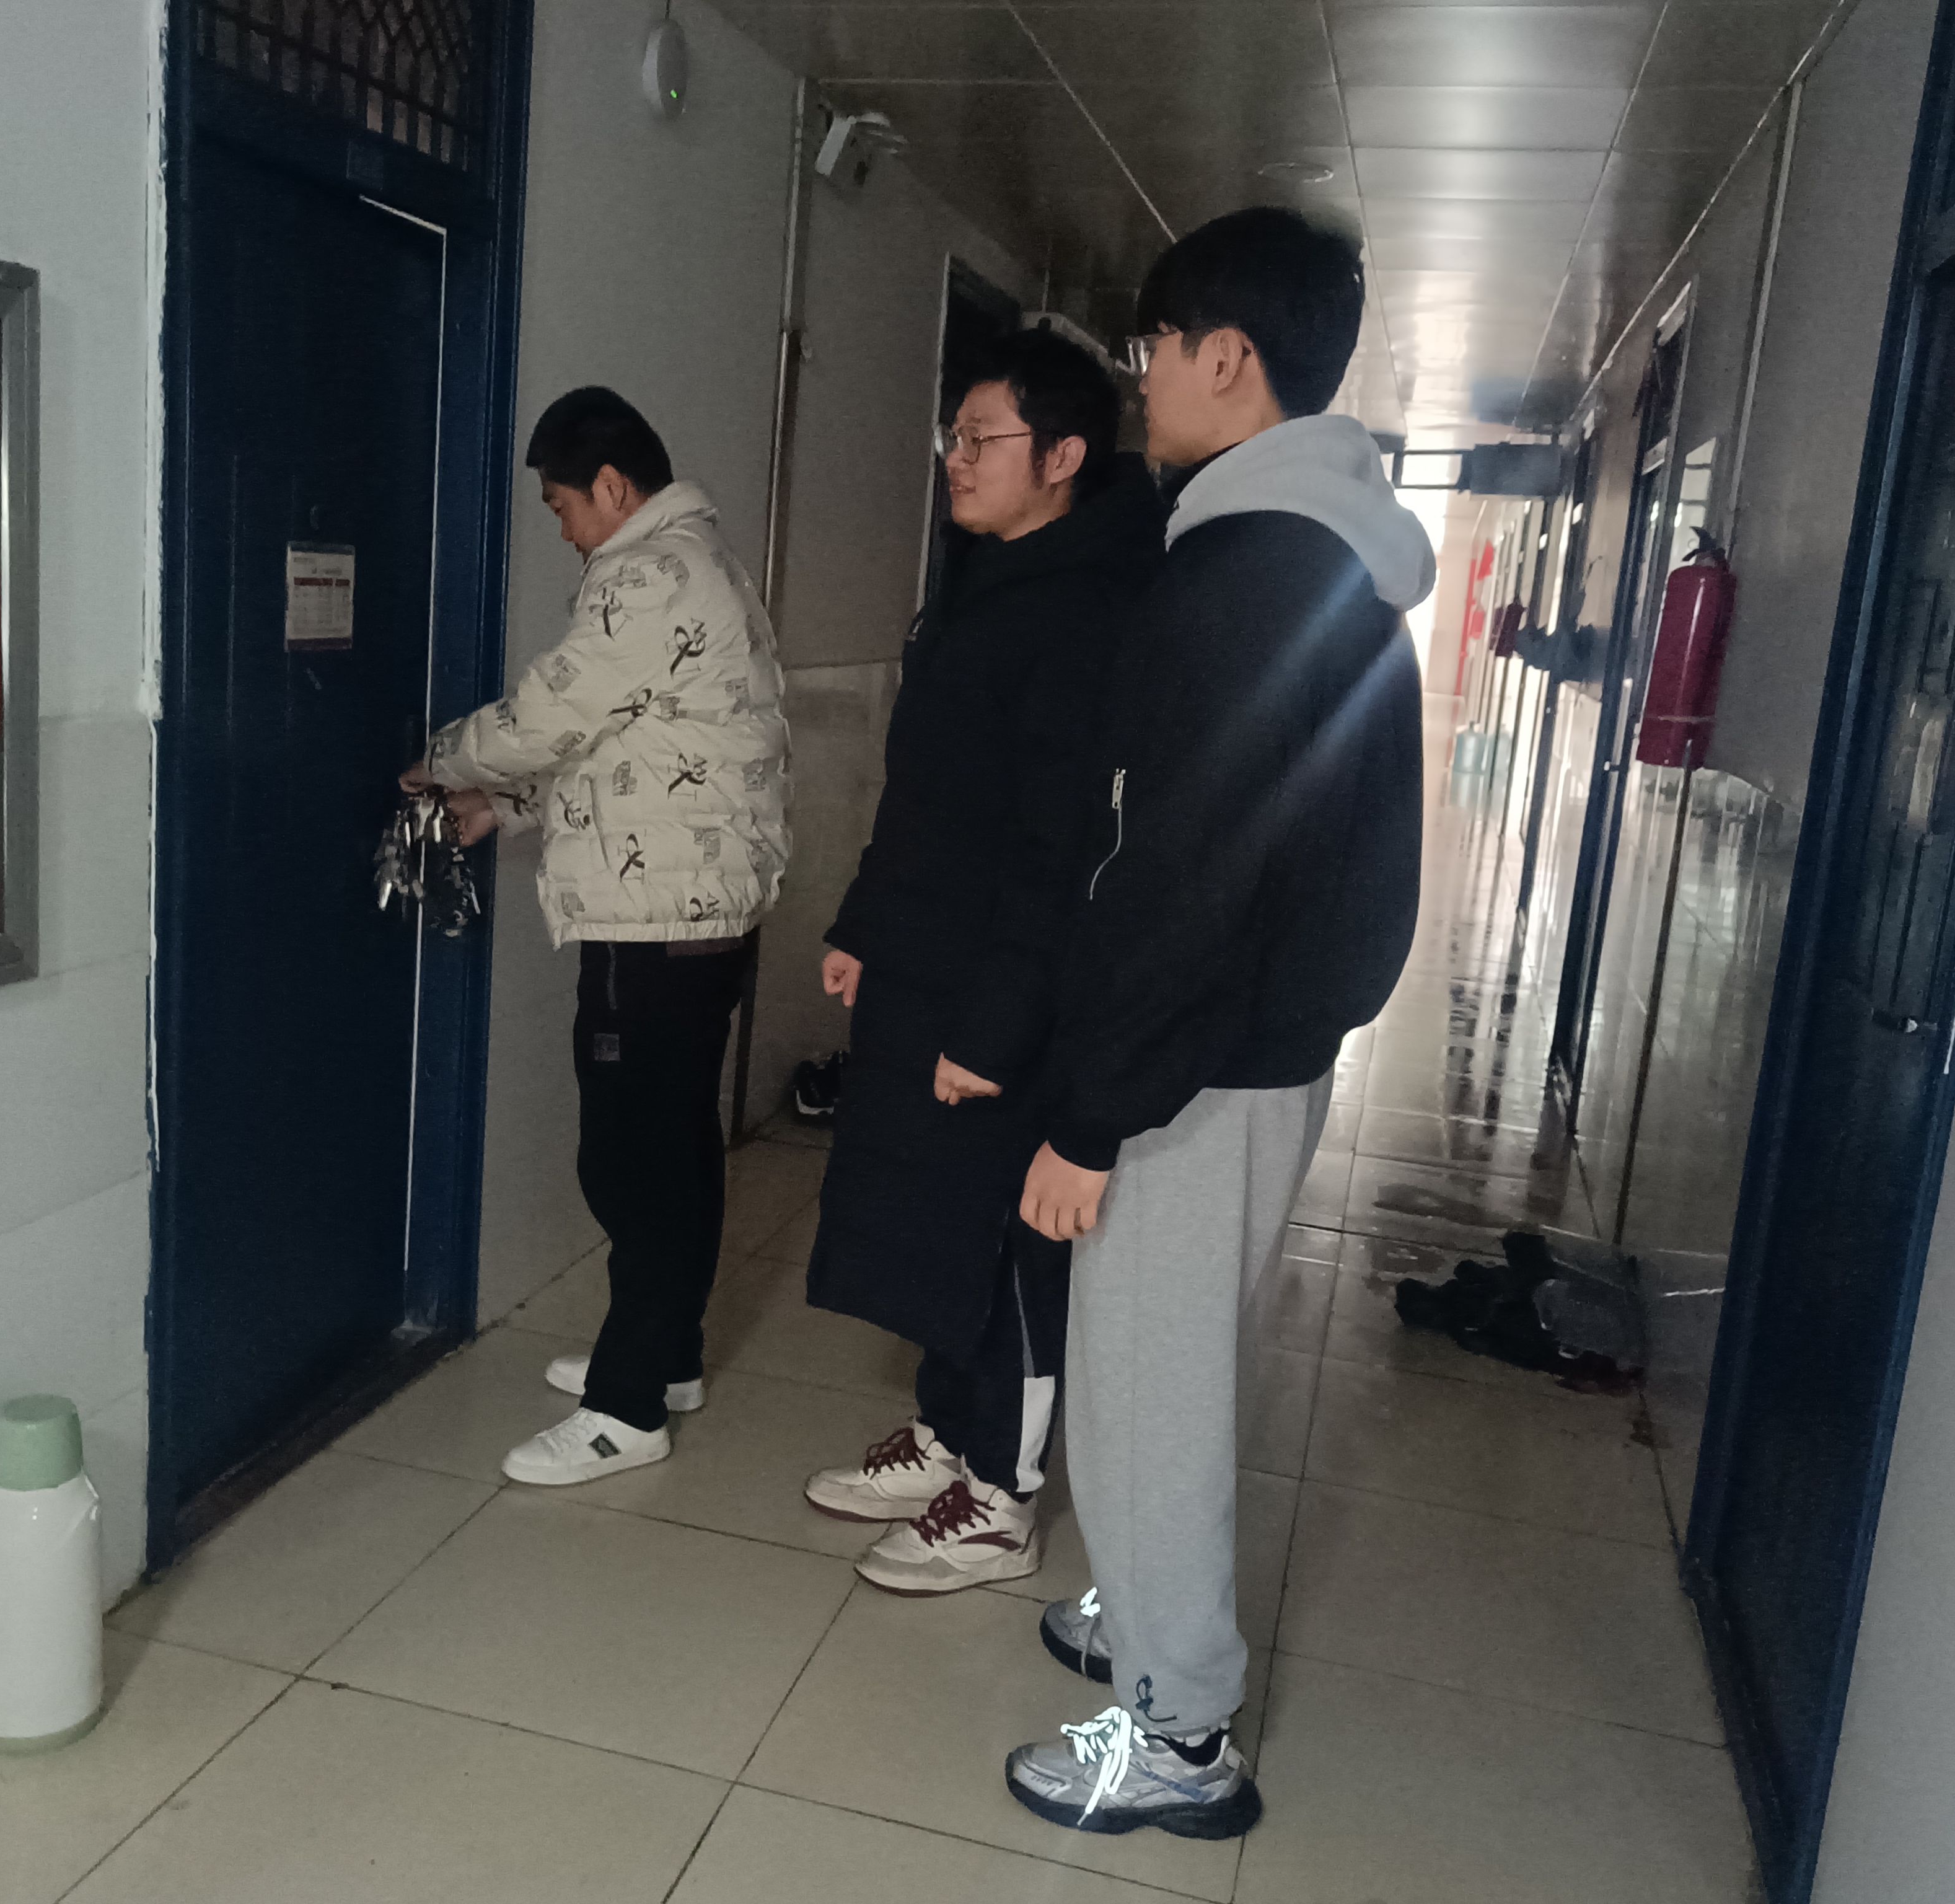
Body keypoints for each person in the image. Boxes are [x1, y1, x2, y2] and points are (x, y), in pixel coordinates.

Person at [998, 209, 1434, 1838]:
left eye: (1154, 350)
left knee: (1147, 1393)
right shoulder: (1313, 553)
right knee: (1169, 1370)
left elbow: (1177, 877)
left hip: (1194, 1067)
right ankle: (1144, 1607)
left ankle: (1175, 1730)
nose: (1143, 380)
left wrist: (1088, 1114)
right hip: (1257, 1048)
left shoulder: (1248, 574)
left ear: (1228, 359)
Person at [801, 330, 1163, 1595]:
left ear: (1061, 457)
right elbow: (926, 792)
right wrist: (863, 921)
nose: (955, 460)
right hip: (929, 962)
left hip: (1002, 988)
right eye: (951, 438)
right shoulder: (981, 576)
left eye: (981, 440)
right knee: (927, 1218)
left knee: (1004, 1241)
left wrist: (996, 1024)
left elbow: (1056, 851)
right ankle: (950, 1436)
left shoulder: (1089, 607)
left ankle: (1000, 1497)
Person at [406, 386, 790, 1488]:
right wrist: (504, 807)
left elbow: (550, 716)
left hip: (656, 924)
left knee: (631, 1160)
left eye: (563, 505)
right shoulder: (706, 561)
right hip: (697, 910)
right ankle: (665, 1355)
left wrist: (438, 761)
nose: (565, 530)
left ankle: (626, 1410)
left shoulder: (648, 572)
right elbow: (635, 740)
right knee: (676, 1144)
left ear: (614, 488)